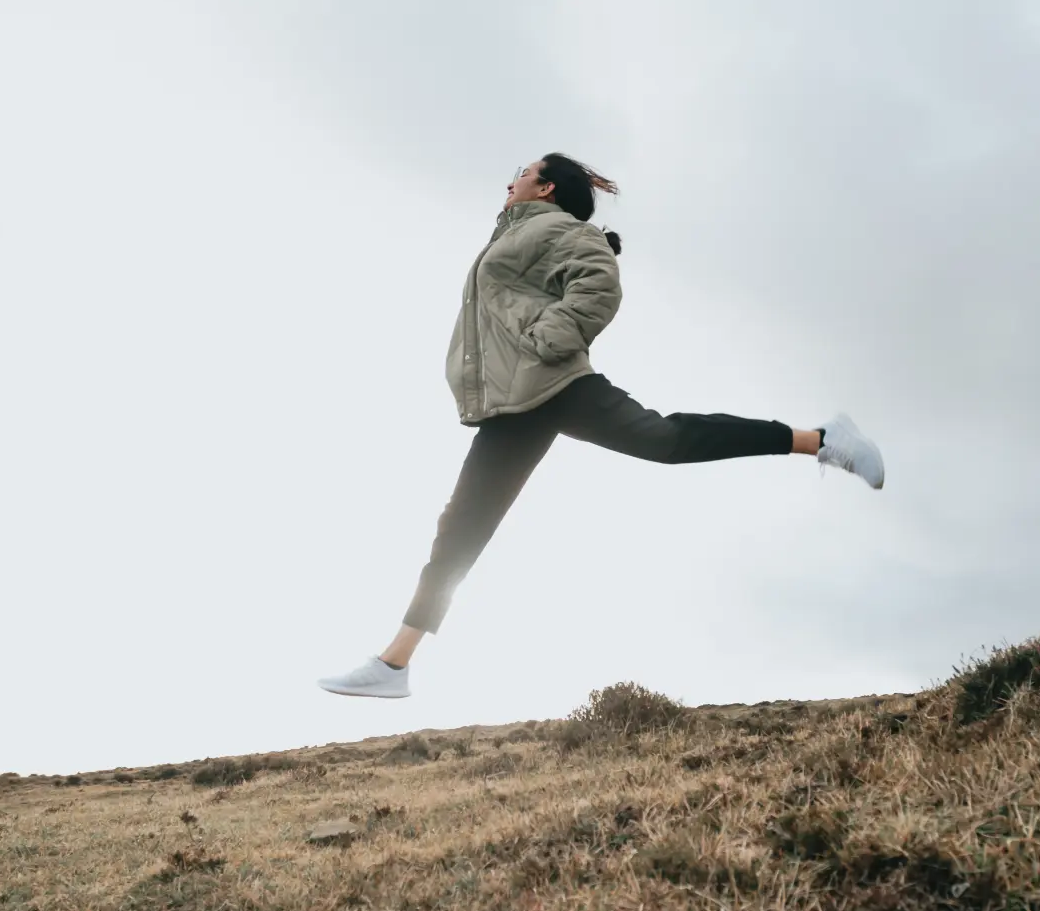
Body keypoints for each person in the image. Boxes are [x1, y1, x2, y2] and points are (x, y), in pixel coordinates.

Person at [317, 153, 884, 699]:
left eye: (523, 174)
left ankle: (823, 441)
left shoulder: (560, 229)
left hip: (554, 384)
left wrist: (547, 340)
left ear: (546, 188)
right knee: (462, 526)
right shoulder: (514, 234)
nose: (511, 182)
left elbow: (598, 282)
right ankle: (394, 665)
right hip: (515, 403)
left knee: (664, 440)